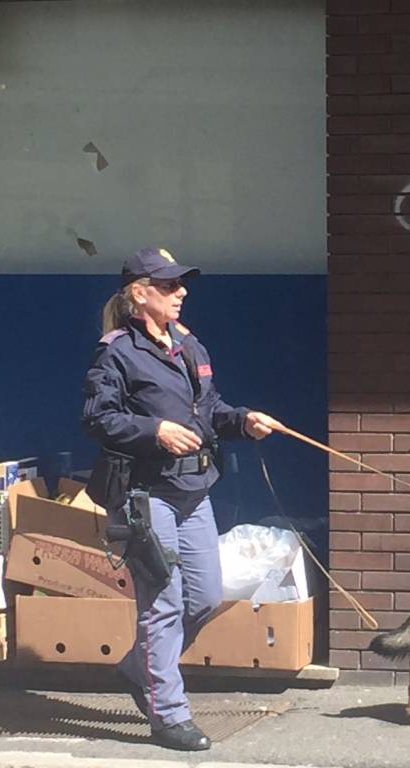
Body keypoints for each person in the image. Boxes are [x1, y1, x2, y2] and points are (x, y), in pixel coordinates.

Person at [81, 246, 279, 751]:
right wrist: (156, 430)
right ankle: (169, 714)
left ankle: (137, 668)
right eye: (169, 285)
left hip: (194, 490)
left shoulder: (189, 347)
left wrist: (242, 421)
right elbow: (98, 419)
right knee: (163, 603)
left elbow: (208, 410)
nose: (181, 292)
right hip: (146, 495)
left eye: (180, 284)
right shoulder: (117, 351)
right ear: (139, 294)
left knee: (206, 596)